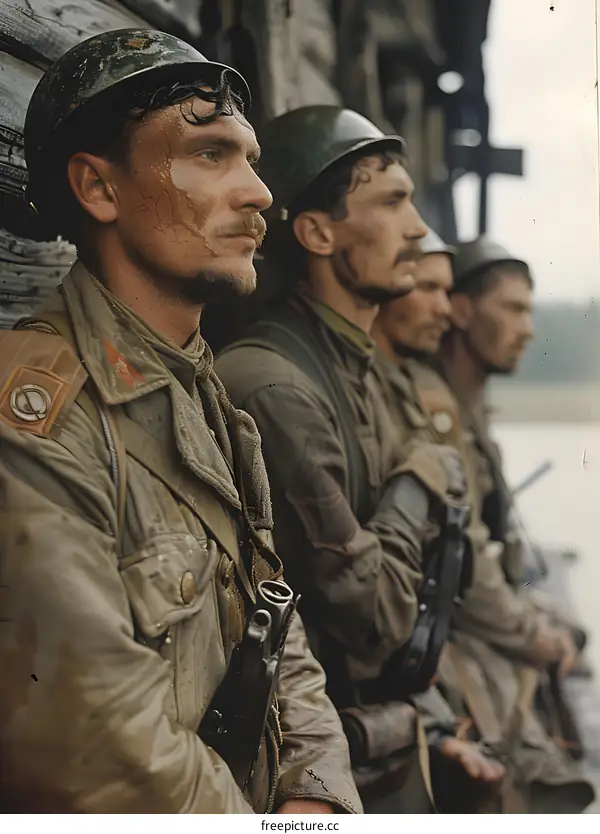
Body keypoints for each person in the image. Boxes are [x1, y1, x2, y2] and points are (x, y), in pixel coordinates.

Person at [0, 29, 361, 814]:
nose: (260, 193)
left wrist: (317, 799)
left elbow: (278, 630)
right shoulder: (37, 419)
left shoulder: (210, 404)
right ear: (99, 188)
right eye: (210, 155)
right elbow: (93, 739)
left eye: (253, 160)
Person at [214, 104, 494, 812]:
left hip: (376, 732)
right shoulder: (278, 385)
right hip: (313, 766)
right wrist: (416, 482)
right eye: (393, 202)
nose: (419, 229)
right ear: (315, 232)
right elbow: (375, 617)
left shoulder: (360, 367)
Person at [372, 229, 594, 812]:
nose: (528, 327)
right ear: (464, 311)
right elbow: (462, 554)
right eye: (514, 308)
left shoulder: (466, 407)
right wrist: (530, 633)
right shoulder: (434, 403)